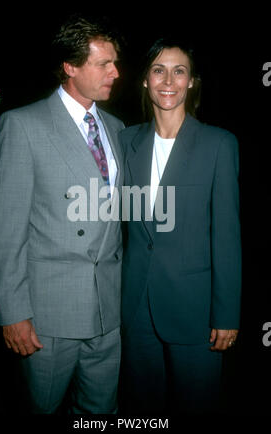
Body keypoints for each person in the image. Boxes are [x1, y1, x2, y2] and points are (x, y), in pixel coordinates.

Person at [0, 13, 124, 414]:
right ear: (71, 67)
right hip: (48, 315)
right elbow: (5, 231)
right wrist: (13, 314)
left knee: (101, 413)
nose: (115, 72)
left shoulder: (116, 128)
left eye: (115, 62)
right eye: (104, 63)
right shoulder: (22, 125)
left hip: (108, 312)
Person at [119, 37, 242, 415]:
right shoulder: (127, 141)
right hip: (136, 308)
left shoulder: (218, 143)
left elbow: (227, 236)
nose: (168, 80)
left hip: (195, 310)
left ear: (191, 81)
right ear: (145, 80)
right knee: (143, 409)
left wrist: (226, 315)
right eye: (158, 70)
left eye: (179, 70)